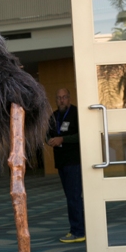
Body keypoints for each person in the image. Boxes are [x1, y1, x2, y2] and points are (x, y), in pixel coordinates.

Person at [46, 88, 85, 243]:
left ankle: (78, 231)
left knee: (74, 197)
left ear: (69, 98)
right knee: (71, 197)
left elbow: (82, 135)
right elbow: (47, 134)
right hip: (61, 162)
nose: (61, 100)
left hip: (74, 161)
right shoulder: (54, 116)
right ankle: (78, 228)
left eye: (64, 97)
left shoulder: (76, 114)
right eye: (59, 98)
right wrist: (49, 140)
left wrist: (63, 140)